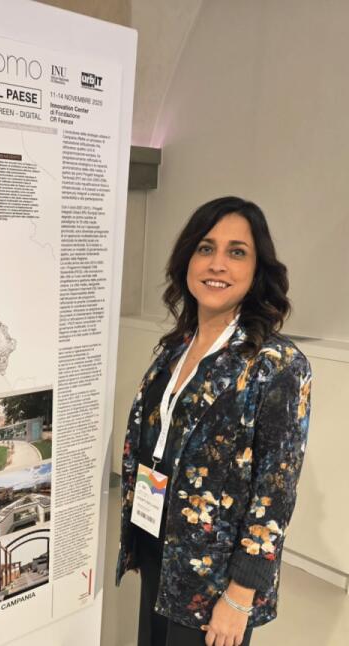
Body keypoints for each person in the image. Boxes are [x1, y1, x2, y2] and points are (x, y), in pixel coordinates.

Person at [116, 197, 312, 646]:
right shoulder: (175, 348)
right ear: (187, 258)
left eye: (236, 252)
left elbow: (275, 493)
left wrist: (241, 596)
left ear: (257, 269)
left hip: (214, 580)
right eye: (206, 248)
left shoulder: (277, 364)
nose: (217, 264)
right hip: (160, 548)